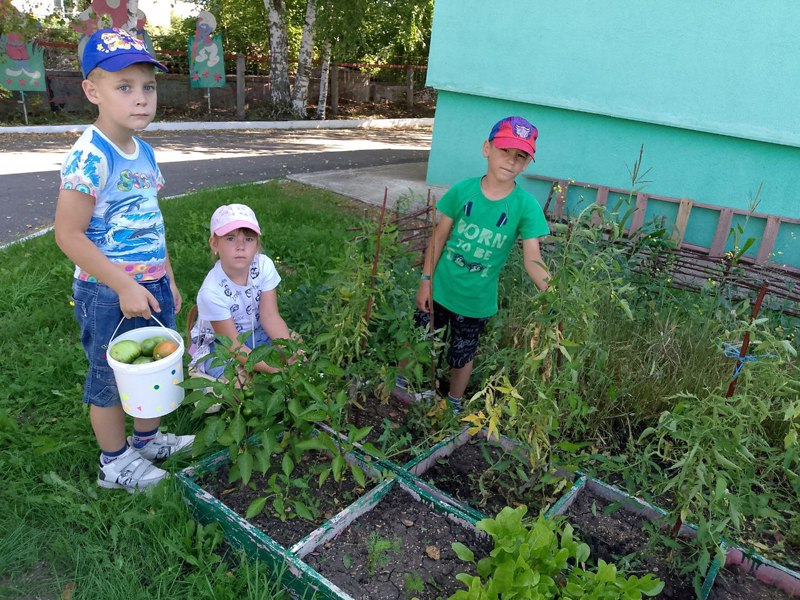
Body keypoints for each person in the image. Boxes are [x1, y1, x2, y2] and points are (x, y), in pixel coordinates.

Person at [54, 27, 193, 493]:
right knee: (110, 376)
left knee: (151, 367)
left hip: (147, 283)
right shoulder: (91, 157)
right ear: (93, 92)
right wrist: (122, 286)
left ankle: (146, 439)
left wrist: (165, 276)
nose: (141, 99)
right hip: (107, 291)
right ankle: (113, 463)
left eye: (148, 87)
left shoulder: (144, 151)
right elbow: (68, 235)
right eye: (124, 87)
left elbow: (151, 221)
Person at [393, 116, 551, 412]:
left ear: (528, 163)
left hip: (477, 301)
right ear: (486, 148)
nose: (511, 161)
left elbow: (533, 259)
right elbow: (439, 238)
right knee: (419, 339)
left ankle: (452, 405)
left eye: (521, 156)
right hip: (439, 290)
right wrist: (425, 281)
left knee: (462, 355)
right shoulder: (462, 191)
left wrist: (555, 295)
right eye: (505, 151)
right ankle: (399, 386)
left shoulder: (525, 206)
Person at [189, 204, 297, 378]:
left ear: (257, 245)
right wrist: (272, 369)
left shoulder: (263, 266)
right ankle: (206, 382)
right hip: (218, 343)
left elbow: (270, 316)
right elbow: (232, 344)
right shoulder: (211, 291)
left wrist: (290, 351)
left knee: (295, 347)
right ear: (214, 244)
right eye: (230, 238)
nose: (240, 246)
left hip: (255, 330)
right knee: (239, 383)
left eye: (248, 239)